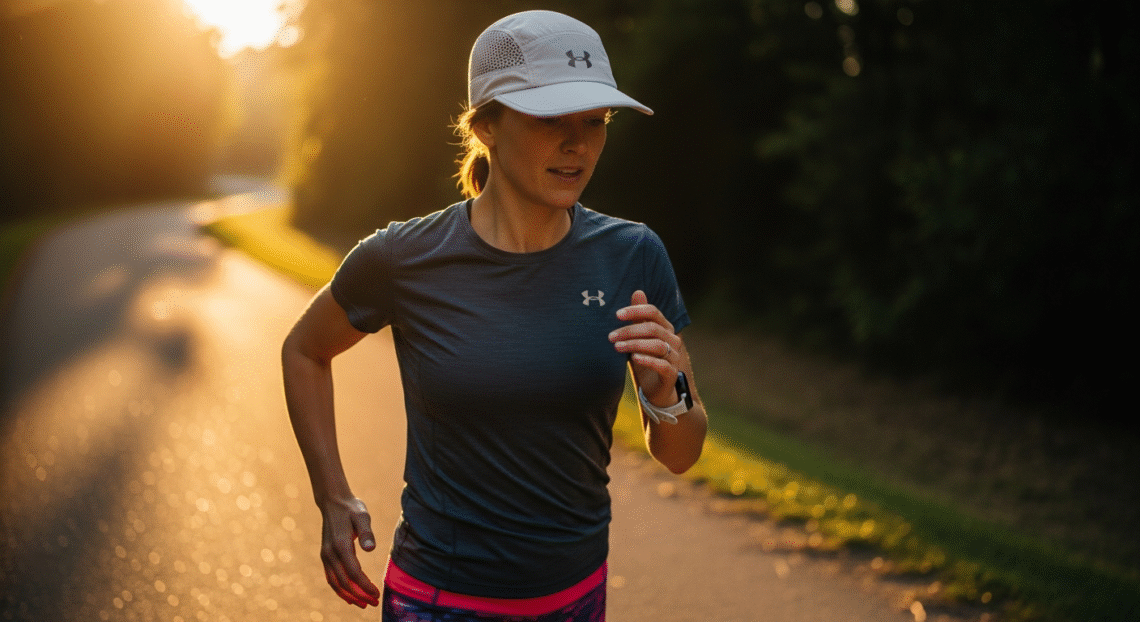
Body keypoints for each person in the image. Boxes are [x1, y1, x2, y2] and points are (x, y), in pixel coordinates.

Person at [281, 10, 707, 622]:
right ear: (486, 126)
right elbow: (304, 349)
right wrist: (331, 495)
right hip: (439, 603)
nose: (578, 144)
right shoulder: (405, 257)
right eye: (549, 120)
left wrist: (672, 390)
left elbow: (680, 454)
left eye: (594, 121)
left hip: (576, 600)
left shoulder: (632, 255)